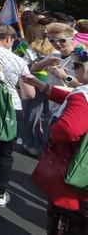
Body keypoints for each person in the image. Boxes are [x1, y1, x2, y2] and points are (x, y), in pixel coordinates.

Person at [21, 72, 88, 234]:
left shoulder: (83, 97)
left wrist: (52, 130)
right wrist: (43, 86)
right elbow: (70, 97)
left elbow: (68, 129)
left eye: (79, 65)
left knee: (68, 223)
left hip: (75, 177)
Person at [0, 25, 35, 213]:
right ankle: (0, 193)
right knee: (5, 153)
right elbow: (28, 94)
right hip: (10, 109)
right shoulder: (18, 61)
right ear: (9, 39)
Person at [20, 23, 55, 157]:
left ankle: (31, 144)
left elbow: (23, 66)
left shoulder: (29, 47)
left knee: (32, 114)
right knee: (49, 116)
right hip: (52, 85)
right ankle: (45, 144)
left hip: (35, 82)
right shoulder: (58, 48)